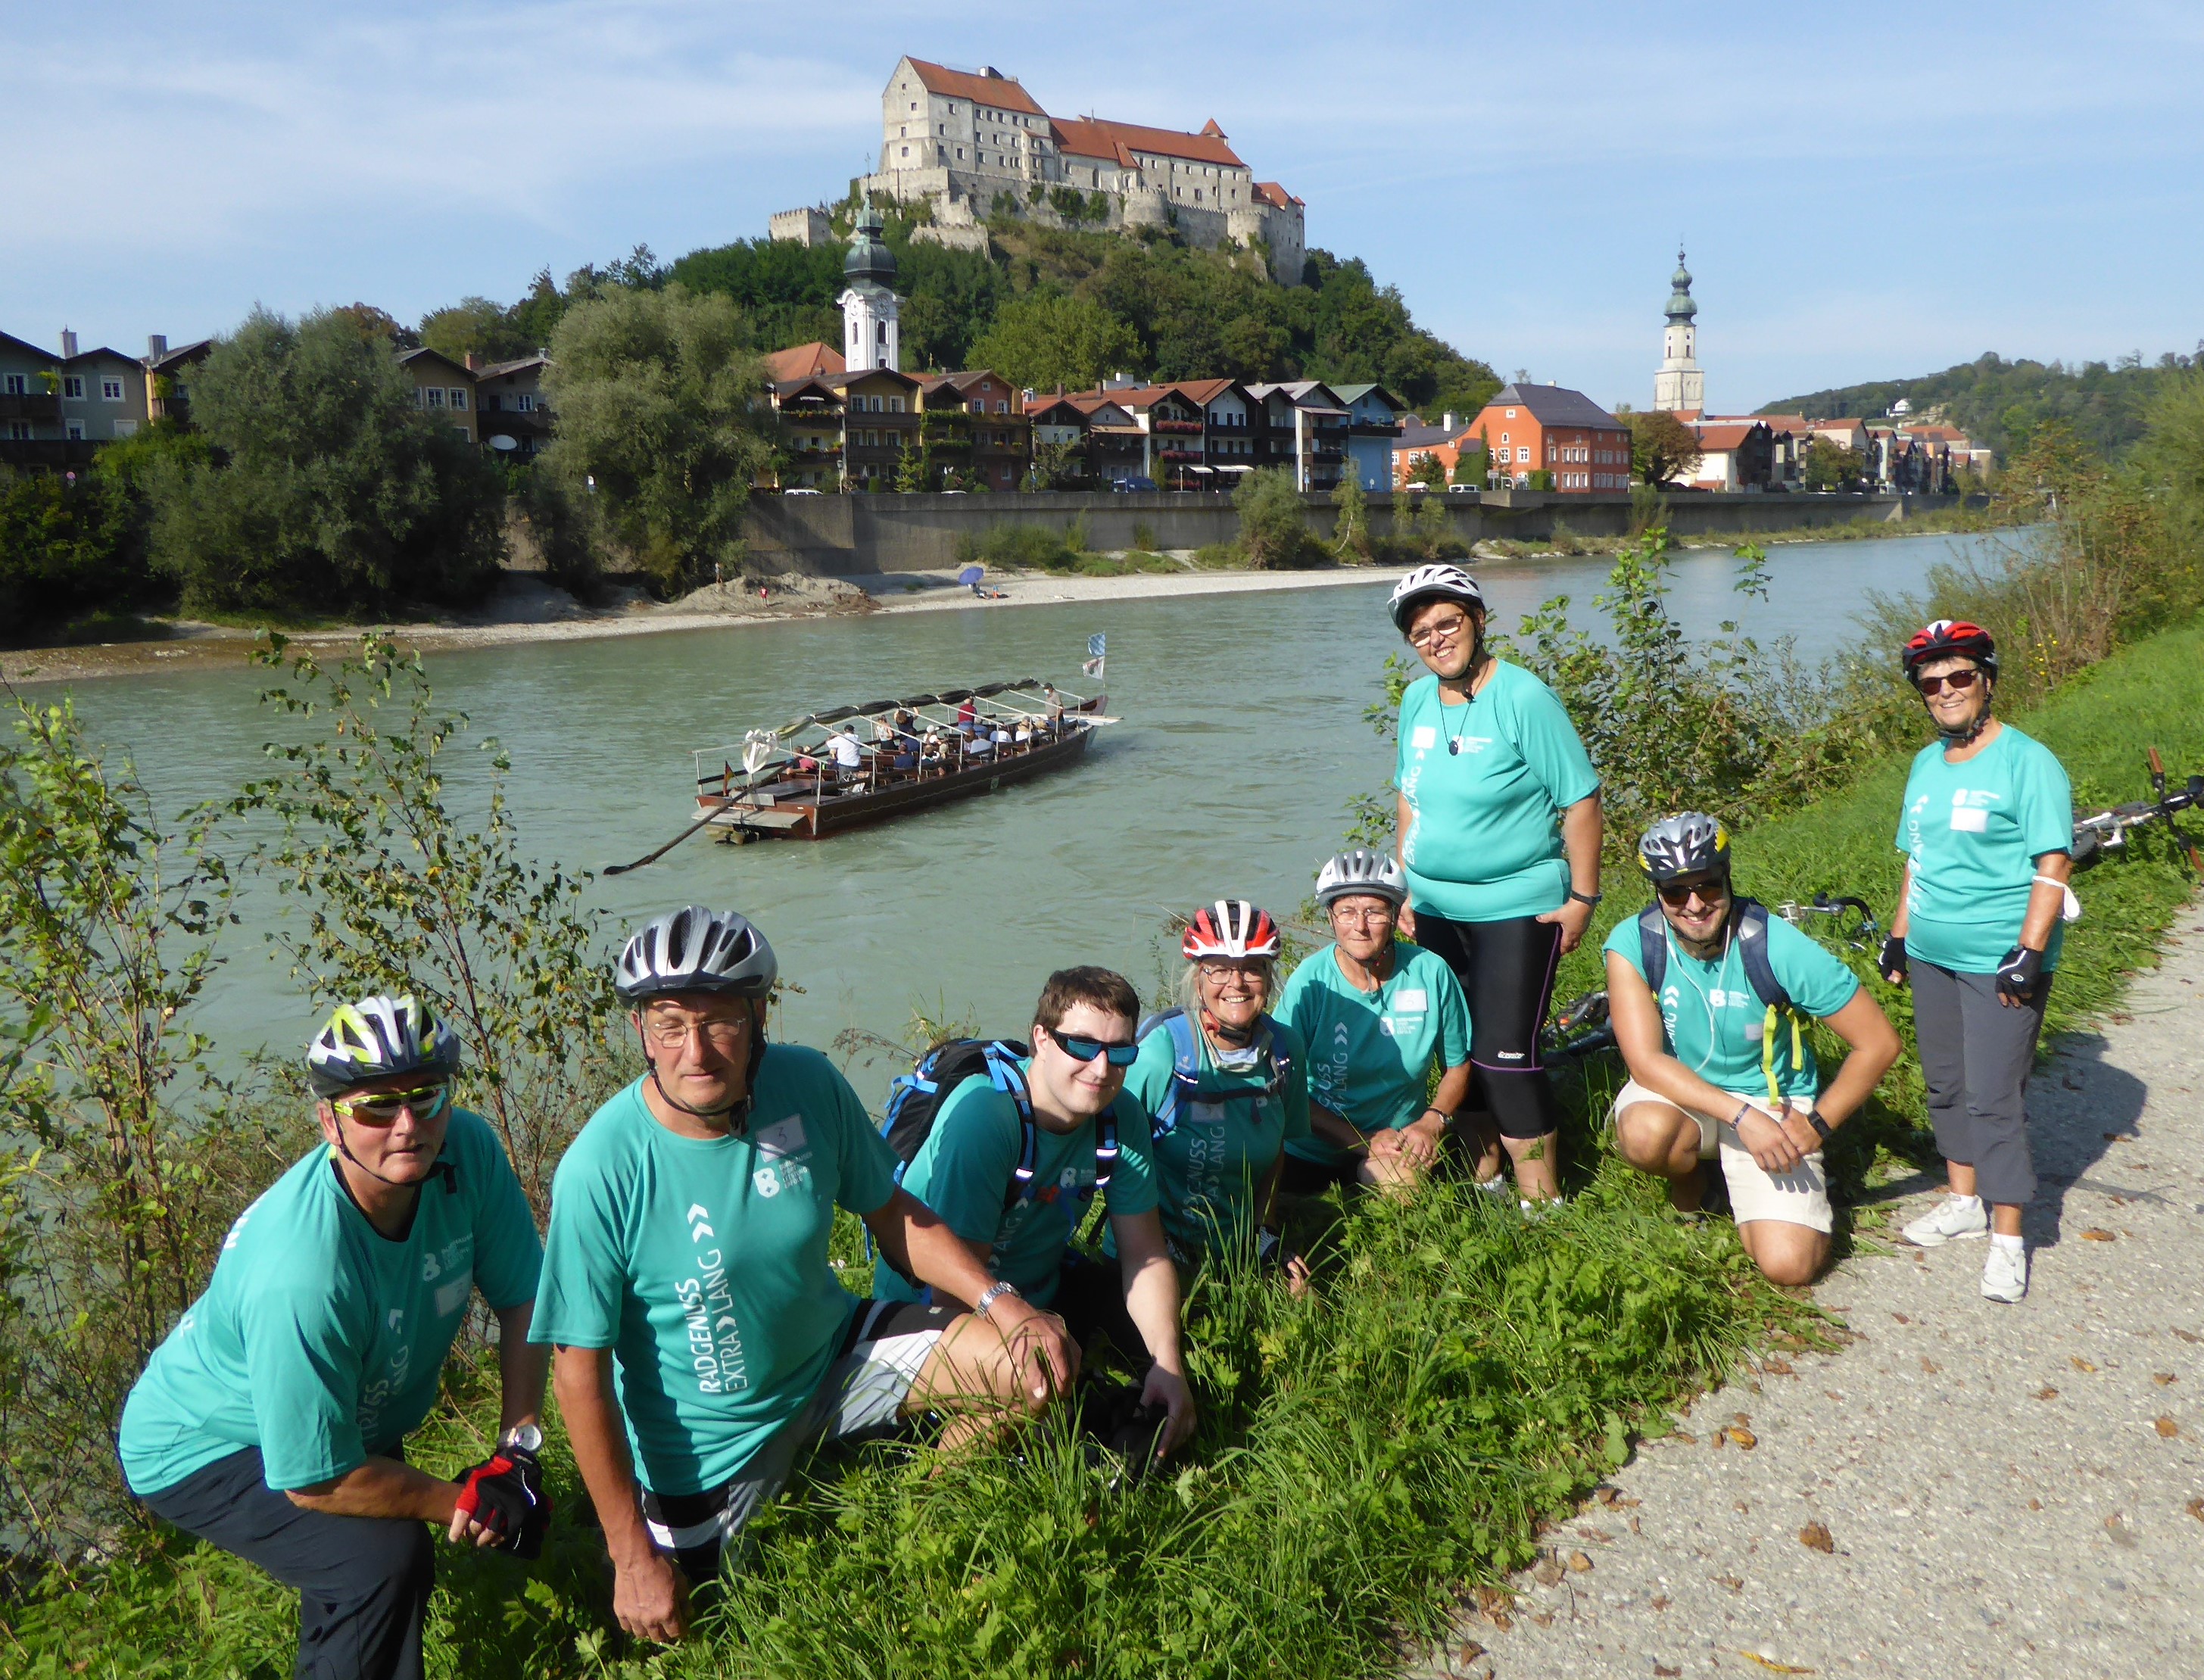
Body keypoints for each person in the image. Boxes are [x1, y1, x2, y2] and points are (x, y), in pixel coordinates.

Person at [532, 908, 1083, 1644]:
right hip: (708, 1441)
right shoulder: (601, 1167)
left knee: (1035, 1365)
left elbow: (892, 1212)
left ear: (759, 1015)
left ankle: (913, 1511)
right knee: (699, 1630)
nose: (695, 1050)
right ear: (640, 1029)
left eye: (721, 1020)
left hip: (832, 1357)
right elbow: (578, 1375)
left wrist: (1002, 1301)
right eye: (668, 1023)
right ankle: (779, 1496)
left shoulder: (806, 1084)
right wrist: (630, 1556)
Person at [117, 996, 550, 1680]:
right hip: (203, 1439)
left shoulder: (467, 1150)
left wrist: (514, 1451)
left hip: (342, 1407)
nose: (407, 1125)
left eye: (425, 1096)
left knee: (373, 1563)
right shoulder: (301, 1273)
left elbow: (525, 1296)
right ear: (329, 1120)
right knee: (376, 1561)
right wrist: (464, 1501)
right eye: (376, 1107)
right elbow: (317, 1482)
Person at [871, 967, 1196, 1454]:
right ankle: (927, 1486)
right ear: (1040, 1039)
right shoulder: (987, 1119)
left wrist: (1167, 1365)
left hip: (1041, 1292)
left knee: (1170, 1349)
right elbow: (953, 1291)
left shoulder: (1119, 1116)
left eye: (1120, 1051)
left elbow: (1144, 1253)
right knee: (1037, 1386)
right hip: (938, 1310)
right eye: (1082, 1046)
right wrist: (1037, 1364)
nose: (1102, 1069)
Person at [1607, 815, 1903, 1285]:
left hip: (1772, 1100)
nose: (1696, 905)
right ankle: (1695, 1182)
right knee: (1645, 1134)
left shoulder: (1774, 945)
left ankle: (1774, 1197)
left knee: (1789, 1267)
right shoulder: (1634, 941)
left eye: (1708, 886)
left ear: (1726, 876)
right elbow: (1645, 1062)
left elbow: (1880, 1043)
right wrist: (1740, 1118)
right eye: (1676, 893)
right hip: (1690, 1095)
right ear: (1659, 894)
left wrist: (1816, 1125)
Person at [1386, 564, 1603, 1205]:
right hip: (1432, 905)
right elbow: (1409, 796)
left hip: (1517, 904)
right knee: (1456, 1046)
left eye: (1447, 622)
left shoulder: (1522, 696)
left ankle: (1544, 1202)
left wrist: (1583, 899)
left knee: (1503, 1051)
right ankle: (1487, 1181)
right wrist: (1405, 886)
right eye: (1420, 632)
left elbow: (1581, 798)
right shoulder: (1416, 700)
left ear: (1477, 621)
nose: (1435, 639)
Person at [1880, 620, 2076, 1304]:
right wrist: (1899, 934)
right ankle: (1963, 1201)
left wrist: (2028, 950)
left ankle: (2008, 1238)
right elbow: (1918, 858)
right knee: (1944, 1083)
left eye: (1958, 676)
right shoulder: (1925, 765)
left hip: (1998, 957)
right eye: (1931, 682)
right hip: (1933, 954)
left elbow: (2052, 863)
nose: (1944, 690)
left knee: (1993, 1097)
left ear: (1986, 680)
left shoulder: (2028, 761)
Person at [1118, 902, 1311, 1273]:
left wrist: (1265, 1234)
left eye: (1252, 969)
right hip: (1149, 1248)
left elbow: (1277, 1151)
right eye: (1219, 969)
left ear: (1269, 979)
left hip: (1239, 1250)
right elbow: (1114, 1154)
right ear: (1198, 980)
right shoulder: (1162, 1053)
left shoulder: (1285, 1052)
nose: (1236, 984)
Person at [1277, 849, 1476, 1196]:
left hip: (1398, 1145)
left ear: (1396, 914)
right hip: (1311, 1150)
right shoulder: (1310, 981)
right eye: (1347, 912)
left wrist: (1432, 1121)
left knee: (1403, 1187)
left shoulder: (1430, 971)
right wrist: (1361, 1141)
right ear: (1331, 917)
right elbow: (1283, 1084)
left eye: (1374, 912)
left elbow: (1458, 1067)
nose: (1360, 926)